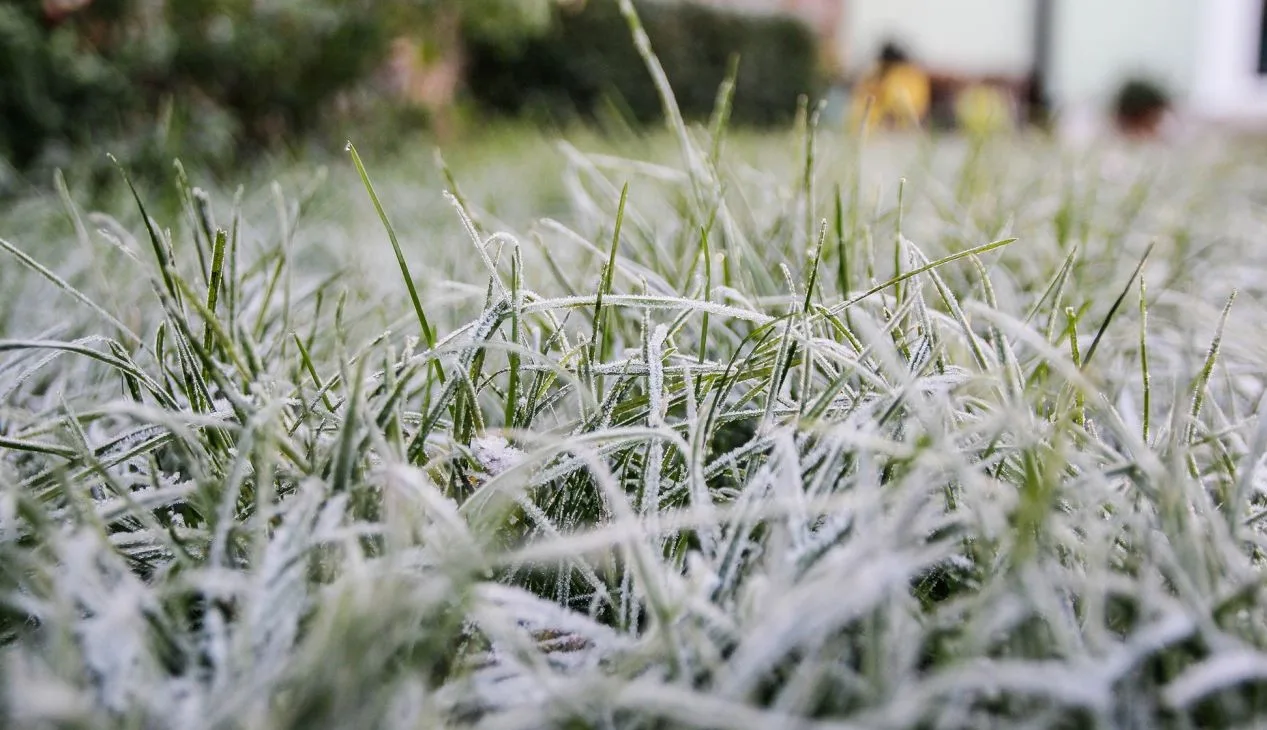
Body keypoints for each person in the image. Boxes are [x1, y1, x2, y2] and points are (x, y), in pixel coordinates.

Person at [849, 41, 931, 132]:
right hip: (877, 124)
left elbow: (899, 102)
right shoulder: (877, 75)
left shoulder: (904, 75)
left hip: (898, 125)